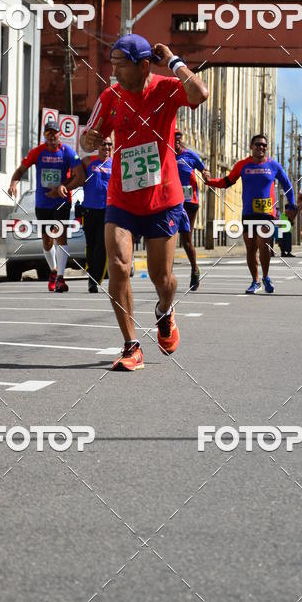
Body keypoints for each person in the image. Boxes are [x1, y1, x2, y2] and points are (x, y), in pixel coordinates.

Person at [82, 33, 208, 371]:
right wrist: (89, 138)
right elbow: (86, 138)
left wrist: (174, 60)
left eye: (121, 66)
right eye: (113, 66)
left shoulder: (166, 89)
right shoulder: (110, 96)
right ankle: (131, 345)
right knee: (120, 266)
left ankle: (165, 311)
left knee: (161, 277)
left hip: (163, 199)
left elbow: (200, 93)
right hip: (122, 197)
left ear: (142, 65)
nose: (115, 73)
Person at [205, 135, 297, 294]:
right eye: (258, 145)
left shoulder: (273, 165)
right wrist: (210, 181)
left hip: (267, 214)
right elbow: (227, 181)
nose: (261, 148)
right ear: (251, 146)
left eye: (264, 145)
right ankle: (255, 281)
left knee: (264, 246)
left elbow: (287, 185)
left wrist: (291, 204)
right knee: (251, 248)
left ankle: (266, 276)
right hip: (248, 213)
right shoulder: (242, 165)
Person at [7, 120, 82, 292]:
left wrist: (63, 186)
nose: (51, 136)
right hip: (42, 203)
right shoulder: (37, 152)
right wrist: (13, 183)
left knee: (61, 237)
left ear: (59, 134)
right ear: (44, 135)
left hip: (62, 201)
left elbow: (80, 176)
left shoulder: (68, 152)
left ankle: (61, 278)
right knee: (47, 240)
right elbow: (20, 171)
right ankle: (53, 271)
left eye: (54, 133)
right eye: (48, 133)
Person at [75, 137, 113, 293]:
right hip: (89, 209)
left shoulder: (116, 164)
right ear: (98, 146)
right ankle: (91, 276)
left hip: (108, 210)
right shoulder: (87, 161)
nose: (107, 147)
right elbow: (76, 178)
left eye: (110, 144)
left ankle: (95, 278)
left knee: (102, 245)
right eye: (104, 144)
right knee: (90, 245)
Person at [174, 130, 210, 290]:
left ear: (181, 141)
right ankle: (166, 274)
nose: (176, 143)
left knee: (186, 241)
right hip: (172, 202)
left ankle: (195, 270)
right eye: (173, 139)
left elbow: (204, 169)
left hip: (189, 202)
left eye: (178, 140)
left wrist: (207, 175)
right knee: (168, 237)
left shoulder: (190, 155)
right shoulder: (165, 155)